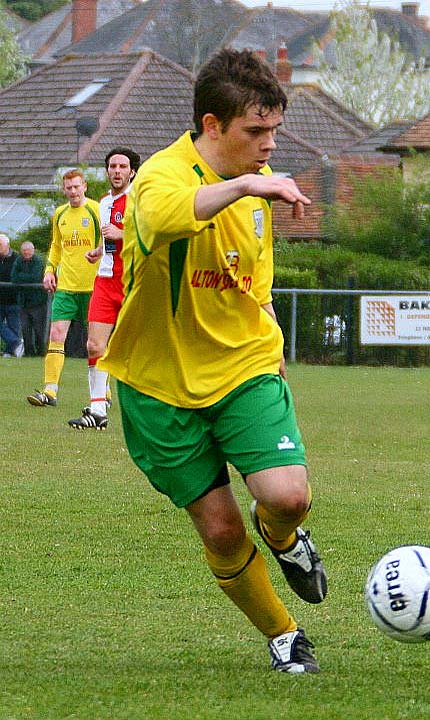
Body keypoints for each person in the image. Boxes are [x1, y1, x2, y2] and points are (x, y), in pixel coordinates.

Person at [98, 48, 325, 674]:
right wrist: (248, 185)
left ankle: (283, 539)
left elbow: (254, 278)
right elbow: (165, 217)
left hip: (243, 367)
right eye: (256, 132)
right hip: (157, 383)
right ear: (212, 125)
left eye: (274, 131)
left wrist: (270, 323)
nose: (268, 146)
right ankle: (284, 636)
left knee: (287, 497)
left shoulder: (257, 193)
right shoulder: (162, 176)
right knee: (223, 532)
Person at [67, 147, 140, 430]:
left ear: (132, 171)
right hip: (106, 280)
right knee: (94, 344)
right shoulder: (104, 202)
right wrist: (99, 250)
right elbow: (108, 236)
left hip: (133, 281)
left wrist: (123, 234)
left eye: (122, 166)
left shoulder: (138, 200)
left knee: (137, 350)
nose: (117, 171)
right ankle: (97, 409)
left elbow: (152, 233)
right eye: (112, 166)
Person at [26, 170, 100, 406]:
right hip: (66, 286)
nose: (73, 191)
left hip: (93, 286)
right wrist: (49, 270)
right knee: (56, 335)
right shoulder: (60, 214)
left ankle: (102, 395)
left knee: (95, 343)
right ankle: (50, 392)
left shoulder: (97, 211)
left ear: (84, 186)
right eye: (68, 188)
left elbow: (106, 243)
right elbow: (56, 247)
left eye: (76, 187)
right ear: (63, 189)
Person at [11, 241, 47, 356]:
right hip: (23, 302)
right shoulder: (18, 261)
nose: (26, 253)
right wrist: (24, 278)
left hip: (38, 302)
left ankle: (41, 352)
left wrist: (22, 278)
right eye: (24, 251)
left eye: (28, 250)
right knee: (25, 329)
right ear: (21, 251)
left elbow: (36, 277)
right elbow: (14, 277)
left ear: (33, 250)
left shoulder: (38, 261)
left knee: (39, 329)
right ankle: (29, 352)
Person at [0, 234, 23, 357]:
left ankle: (10, 351)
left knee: (13, 326)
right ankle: (17, 343)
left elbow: (17, 276)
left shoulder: (17, 259)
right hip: (0, 299)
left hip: (13, 299)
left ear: (7, 245)